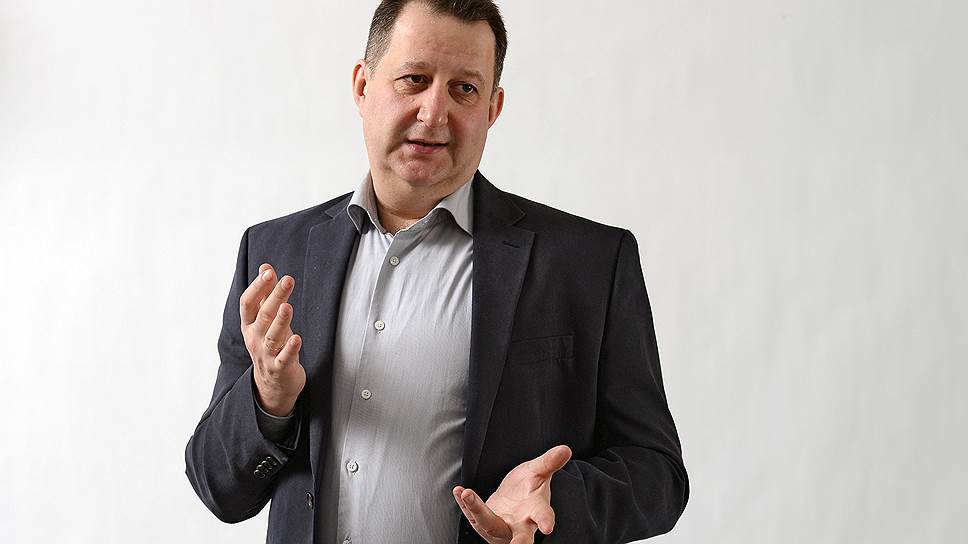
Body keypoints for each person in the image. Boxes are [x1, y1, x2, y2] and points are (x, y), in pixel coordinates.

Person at [184, 1, 689, 542]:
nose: (434, 112)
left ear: (492, 108)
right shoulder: (274, 252)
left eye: (464, 89)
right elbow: (219, 488)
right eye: (414, 79)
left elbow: (658, 475)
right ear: (362, 86)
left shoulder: (588, 263)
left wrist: (554, 501)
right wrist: (268, 400)